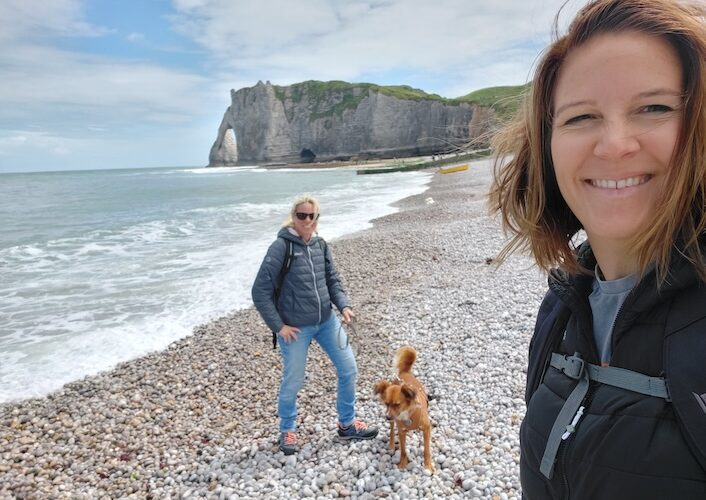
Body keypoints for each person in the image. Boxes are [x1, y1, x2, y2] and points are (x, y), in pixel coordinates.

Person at [488, 0, 706, 497]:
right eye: (581, 117)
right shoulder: (562, 308)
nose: (613, 145)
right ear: (547, 148)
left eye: (654, 107)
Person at [252, 194, 378, 455]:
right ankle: (287, 430)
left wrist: (344, 306)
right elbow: (260, 291)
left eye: (312, 216)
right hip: (295, 329)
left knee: (349, 369)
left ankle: (347, 425)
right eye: (301, 215)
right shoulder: (281, 247)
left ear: (317, 219)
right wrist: (279, 326)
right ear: (293, 217)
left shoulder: (320, 245)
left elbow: (332, 280)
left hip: (326, 321)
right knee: (294, 380)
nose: (307, 220)